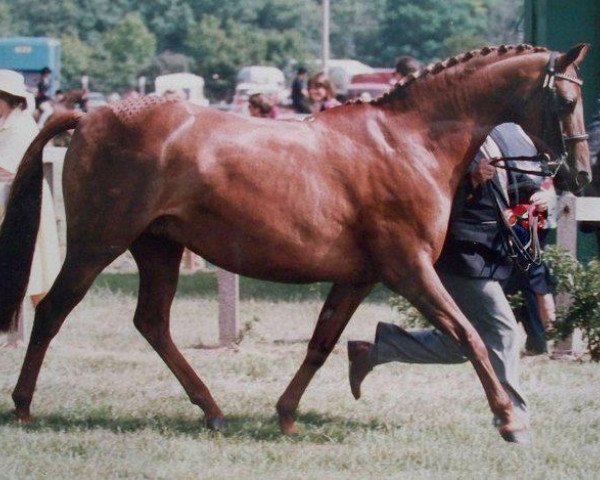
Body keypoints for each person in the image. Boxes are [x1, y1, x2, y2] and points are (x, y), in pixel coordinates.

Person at [347, 123, 553, 445]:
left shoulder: (515, 136)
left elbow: (526, 214)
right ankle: (514, 417)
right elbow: (423, 203)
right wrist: (469, 182)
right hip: (459, 254)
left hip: (494, 256)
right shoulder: (451, 135)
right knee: (503, 331)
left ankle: (376, 350)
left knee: (463, 345)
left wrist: (543, 203)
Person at [0, 69, 61, 341]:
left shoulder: (20, 126)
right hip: (10, 200)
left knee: (35, 268)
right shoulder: (6, 124)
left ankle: (47, 331)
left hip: (23, 202)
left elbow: (4, 167)